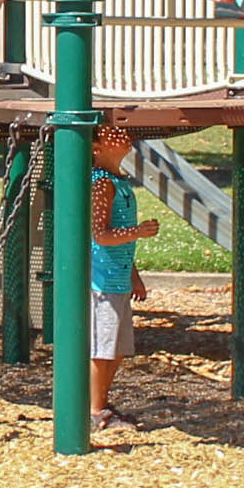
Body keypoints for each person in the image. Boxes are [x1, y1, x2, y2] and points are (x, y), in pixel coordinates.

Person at [84, 118, 162, 433]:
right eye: (110, 133)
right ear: (96, 147)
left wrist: (134, 275)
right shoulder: (101, 182)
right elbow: (100, 235)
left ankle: (101, 403)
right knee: (103, 349)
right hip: (102, 280)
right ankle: (94, 410)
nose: (123, 134)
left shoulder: (119, 180)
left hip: (117, 276)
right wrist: (138, 232)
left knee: (116, 349)